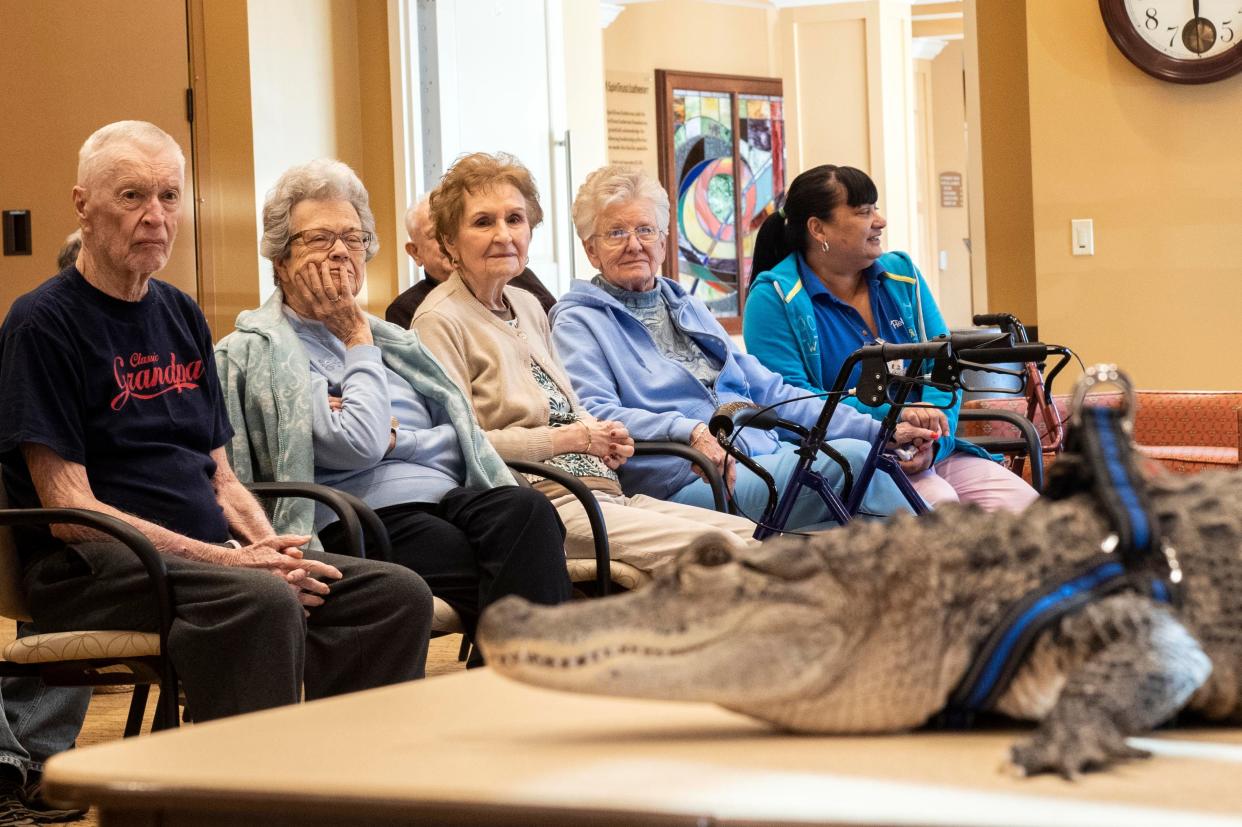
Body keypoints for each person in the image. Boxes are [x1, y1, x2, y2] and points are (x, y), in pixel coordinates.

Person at [0, 122, 432, 734]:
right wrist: (237, 565)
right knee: (263, 598)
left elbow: (221, 477)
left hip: (207, 560)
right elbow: (69, 509)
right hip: (96, 564)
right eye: (132, 197)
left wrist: (270, 552)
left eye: (169, 196)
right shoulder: (42, 323)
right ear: (83, 206)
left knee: (393, 596)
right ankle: (241, 794)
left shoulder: (178, 312)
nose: (156, 216)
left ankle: (353, 782)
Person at [215, 159, 572, 662]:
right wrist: (355, 338)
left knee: (527, 510)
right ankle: (524, 701)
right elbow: (355, 444)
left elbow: (460, 435)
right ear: (280, 259)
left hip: (445, 496)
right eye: (319, 239)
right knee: (527, 571)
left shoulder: (398, 344)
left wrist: (399, 438)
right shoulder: (267, 351)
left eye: (353, 238)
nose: (340, 250)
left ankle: (510, 696)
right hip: (356, 515)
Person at [413, 152, 760, 574]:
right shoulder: (439, 319)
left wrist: (608, 438)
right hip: (542, 508)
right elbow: (460, 446)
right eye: (483, 222)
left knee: (754, 538)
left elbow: (571, 409)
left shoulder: (526, 305)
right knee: (730, 555)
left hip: (604, 491)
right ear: (450, 240)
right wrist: (574, 439)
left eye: (515, 219)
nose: (504, 235)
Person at [550, 164, 931, 529]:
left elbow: (773, 391)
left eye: (645, 230)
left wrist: (882, 428)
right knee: (854, 463)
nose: (634, 245)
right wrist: (688, 430)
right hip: (690, 480)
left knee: (865, 475)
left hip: (765, 458)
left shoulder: (686, 305)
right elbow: (596, 415)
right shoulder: (578, 321)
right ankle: (951, 565)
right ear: (590, 250)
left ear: (664, 241)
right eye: (616, 233)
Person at [743, 165, 1038, 513]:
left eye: (876, 208)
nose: (880, 221)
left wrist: (932, 435)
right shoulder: (774, 297)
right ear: (817, 228)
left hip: (929, 449)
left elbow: (943, 366)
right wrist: (896, 421)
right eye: (864, 212)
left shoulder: (903, 275)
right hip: (849, 458)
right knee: (941, 511)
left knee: (1026, 507)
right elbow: (794, 402)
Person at [385, 193, 555, 328]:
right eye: (435, 235)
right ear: (415, 252)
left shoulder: (521, 280)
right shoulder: (411, 311)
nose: (448, 242)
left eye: (514, 220)